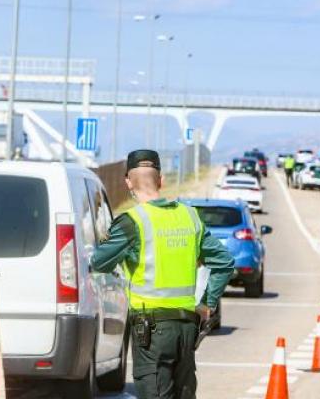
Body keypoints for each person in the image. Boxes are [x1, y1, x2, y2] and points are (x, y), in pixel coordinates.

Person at [90, 149, 234, 399]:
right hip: (187, 328)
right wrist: (207, 303)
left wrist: (112, 244)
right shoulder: (190, 217)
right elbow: (224, 262)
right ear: (161, 180)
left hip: (152, 331)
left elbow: (100, 262)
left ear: (127, 183)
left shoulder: (132, 221)